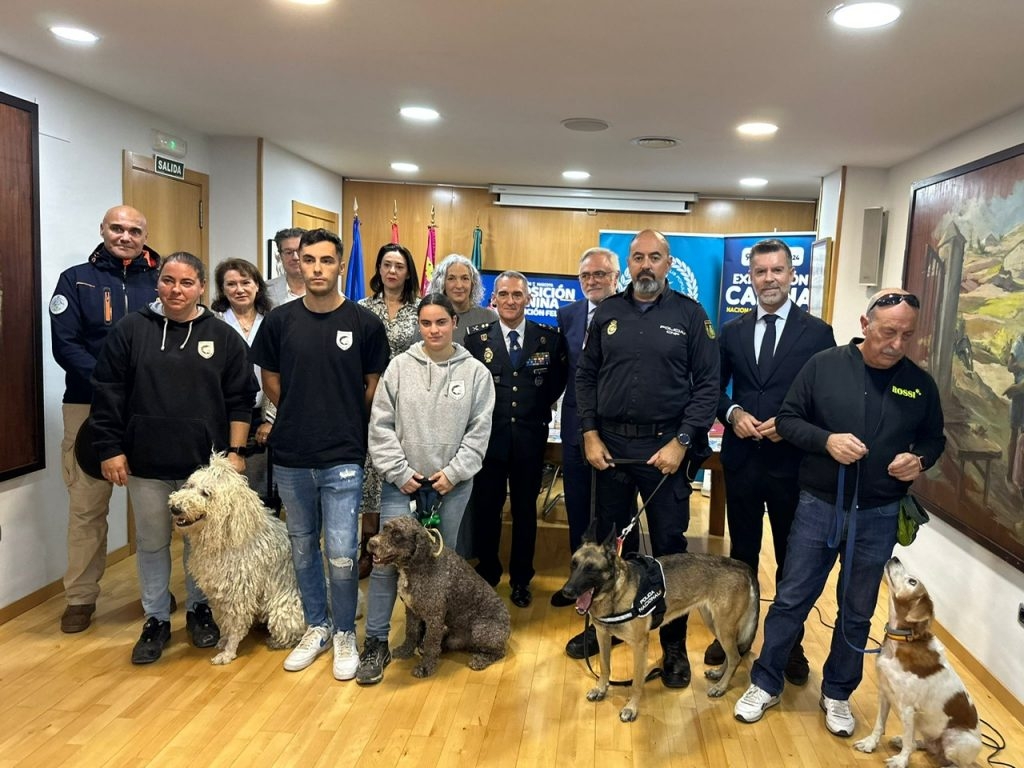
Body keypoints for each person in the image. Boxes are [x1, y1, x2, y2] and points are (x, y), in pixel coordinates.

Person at [734, 289, 946, 738]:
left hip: (879, 512)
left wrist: (920, 460)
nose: (896, 344)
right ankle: (766, 682)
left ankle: (838, 692)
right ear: (865, 324)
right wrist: (827, 441)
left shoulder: (919, 384)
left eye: (907, 335)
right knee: (792, 599)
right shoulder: (824, 366)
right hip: (818, 505)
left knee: (857, 609)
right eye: (888, 332)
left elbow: (933, 439)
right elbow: (789, 420)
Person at [90, 252, 258, 664]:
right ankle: (157, 619)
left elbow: (241, 400)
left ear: (202, 287)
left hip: (203, 471)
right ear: (158, 283)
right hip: (146, 463)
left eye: (186, 283)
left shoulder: (222, 336)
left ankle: (200, 611)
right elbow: (108, 392)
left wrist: (236, 454)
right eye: (168, 280)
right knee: (151, 543)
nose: (176, 290)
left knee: (200, 545)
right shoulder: (131, 330)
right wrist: (110, 449)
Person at [573, 229, 719, 685]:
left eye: (655, 257)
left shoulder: (691, 316)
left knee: (670, 553)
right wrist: (590, 434)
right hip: (611, 451)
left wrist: (681, 441)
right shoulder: (609, 313)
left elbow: (707, 386)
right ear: (628, 264)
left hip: (665, 452)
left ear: (668, 264)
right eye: (638, 258)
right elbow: (586, 378)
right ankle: (614, 629)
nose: (646, 266)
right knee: (616, 549)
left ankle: (673, 648)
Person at [250, 228, 389, 681]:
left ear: (340, 265)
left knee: (344, 551)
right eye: (307, 260)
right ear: (297, 263)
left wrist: (342, 418)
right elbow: (270, 378)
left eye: (326, 261)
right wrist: (294, 411)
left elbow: (372, 386)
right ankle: (317, 626)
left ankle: (346, 631)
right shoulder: (279, 321)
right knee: (303, 548)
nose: (315, 269)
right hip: (291, 455)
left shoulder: (365, 324)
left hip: (343, 454)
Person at [704, 239, 836, 682]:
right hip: (742, 463)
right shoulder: (733, 331)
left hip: (792, 467)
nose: (769, 280)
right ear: (751, 278)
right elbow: (714, 390)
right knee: (740, 559)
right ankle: (735, 637)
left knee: (792, 563)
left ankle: (788, 647)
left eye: (777, 270)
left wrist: (791, 423)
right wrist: (734, 413)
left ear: (791, 274)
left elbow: (826, 398)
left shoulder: (817, 333)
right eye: (760, 272)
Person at [359, 293, 496, 684]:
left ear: (455, 323)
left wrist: (452, 474)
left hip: (450, 487)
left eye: (441, 322)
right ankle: (378, 642)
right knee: (386, 565)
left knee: (434, 568)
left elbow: (478, 431)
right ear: (418, 326)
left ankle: (427, 638)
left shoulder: (475, 374)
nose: (433, 330)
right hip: (401, 485)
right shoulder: (399, 368)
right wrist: (399, 472)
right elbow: (380, 426)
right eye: (426, 323)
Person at [49, 205, 160, 634]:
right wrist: (110, 385)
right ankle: (80, 597)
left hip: (147, 409)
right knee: (87, 508)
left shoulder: (162, 279)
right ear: (103, 230)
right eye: (117, 228)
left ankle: (154, 589)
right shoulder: (76, 280)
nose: (126, 236)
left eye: (134, 229)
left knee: (153, 508)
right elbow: (66, 346)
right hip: (88, 406)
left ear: (144, 233)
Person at [464, 271, 568, 607]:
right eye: (504, 294)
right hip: (488, 441)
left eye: (517, 295)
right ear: (493, 299)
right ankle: (489, 573)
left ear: (528, 298)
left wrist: (535, 408)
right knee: (487, 510)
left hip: (529, 440)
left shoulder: (549, 338)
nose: (510, 301)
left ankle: (522, 578)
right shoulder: (476, 339)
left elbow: (556, 382)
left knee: (525, 512)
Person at [356, 243, 422, 577]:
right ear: (378, 270)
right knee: (371, 475)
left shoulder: (421, 309)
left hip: (410, 402)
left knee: (399, 473)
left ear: (408, 271)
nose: (392, 271)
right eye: (386, 265)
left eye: (399, 266)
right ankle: (368, 546)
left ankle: (402, 544)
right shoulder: (361, 308)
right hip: (369, 399)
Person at [555, 247, 622, 556]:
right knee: (578, 505)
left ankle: (617, 583)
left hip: (619, 429)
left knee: (615, 511)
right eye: (585, 275)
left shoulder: (633, 311)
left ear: (616, 277)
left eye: (599, 274)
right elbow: (562, 370)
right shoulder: (568, 315)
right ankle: (578, 577)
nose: (592, 280)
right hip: (575, 426)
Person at [210, 258, 274, 500]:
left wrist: (272, 419)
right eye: (231, 284)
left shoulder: (273, 321)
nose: (239, 289)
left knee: (258, 497)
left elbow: (285, 374)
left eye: (246, 282)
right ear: (222, 290)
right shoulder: (211, 323)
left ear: (257, 285)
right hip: (221, 419)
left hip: (262, 420)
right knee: (219, 498)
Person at [429, 253, 498, 343]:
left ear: (473, 284)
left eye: (465, 278)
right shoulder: (429, 318)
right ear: (442, 283)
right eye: (451, 278)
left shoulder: (490, 317)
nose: (459, 285)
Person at [264, 227, 307, 306]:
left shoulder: (327, 289)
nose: (295, 257)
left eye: (299, 251)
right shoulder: (266, 291)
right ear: (280, 256)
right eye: (288, 252)